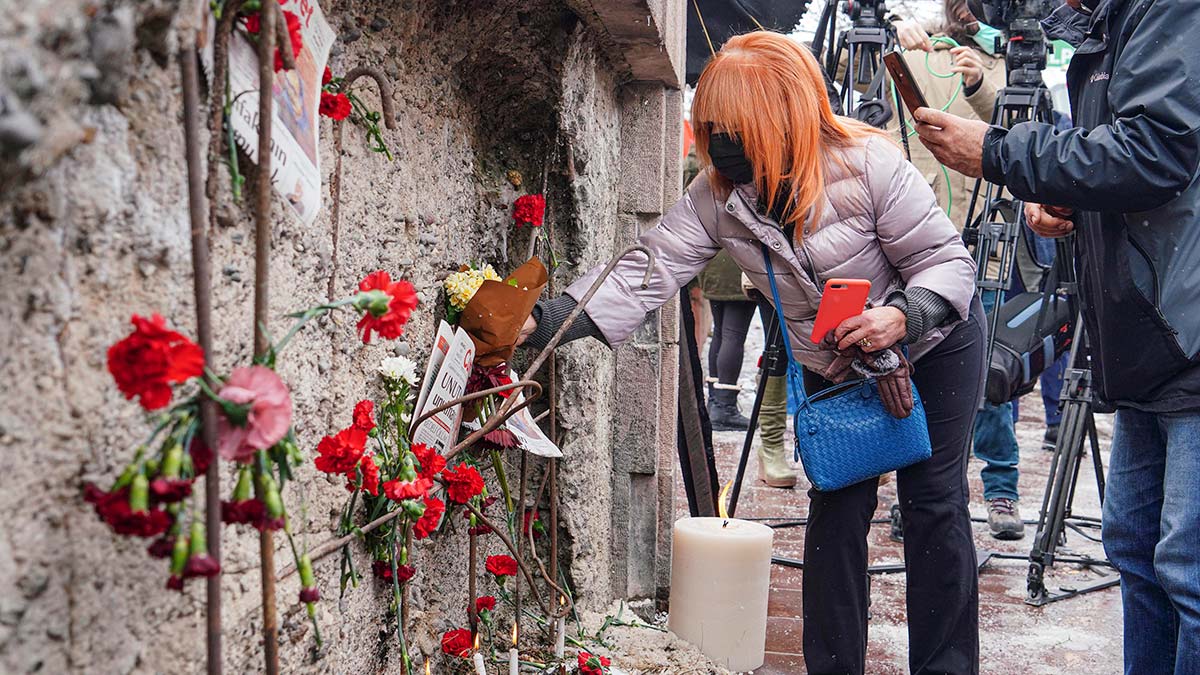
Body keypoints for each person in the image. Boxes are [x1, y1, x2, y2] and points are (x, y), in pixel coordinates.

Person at [522, 31, 983, 674]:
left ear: (783, 116)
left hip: (935, 341)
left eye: (738, 125)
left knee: (934, 506)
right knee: (838, 511)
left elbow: (946, 261)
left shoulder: (869, 164)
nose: (723, 141)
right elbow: (649, 268)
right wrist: (542, 322)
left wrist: (902, 315)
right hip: (839, 360)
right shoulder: (719, 195)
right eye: (713, 125)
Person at [913, 0, 1200, 672]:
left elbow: (1157, 152)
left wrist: (998, 152)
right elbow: (1136, 160)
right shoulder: (1112, 26)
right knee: (1135, 550)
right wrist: (1069, 200)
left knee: (1187, 569)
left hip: (1183, 329)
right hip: (1151, 336)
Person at [890, 0, 1026, 540]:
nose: (971, 12)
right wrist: (895, 35)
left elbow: (1028, 136)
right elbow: (870, 109)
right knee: (915, 374)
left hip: (983, 241)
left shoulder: (1008, 59)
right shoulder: (915, 48)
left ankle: (1001, 489)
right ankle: (920, 491)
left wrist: (980, 88)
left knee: (987, 375)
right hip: (919, 246)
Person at [698, 252, 756, 430]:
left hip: (713, 267)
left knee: (721, 333)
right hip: (737, 270)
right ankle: (725, 407)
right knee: (733, 335)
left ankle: (715, 402)